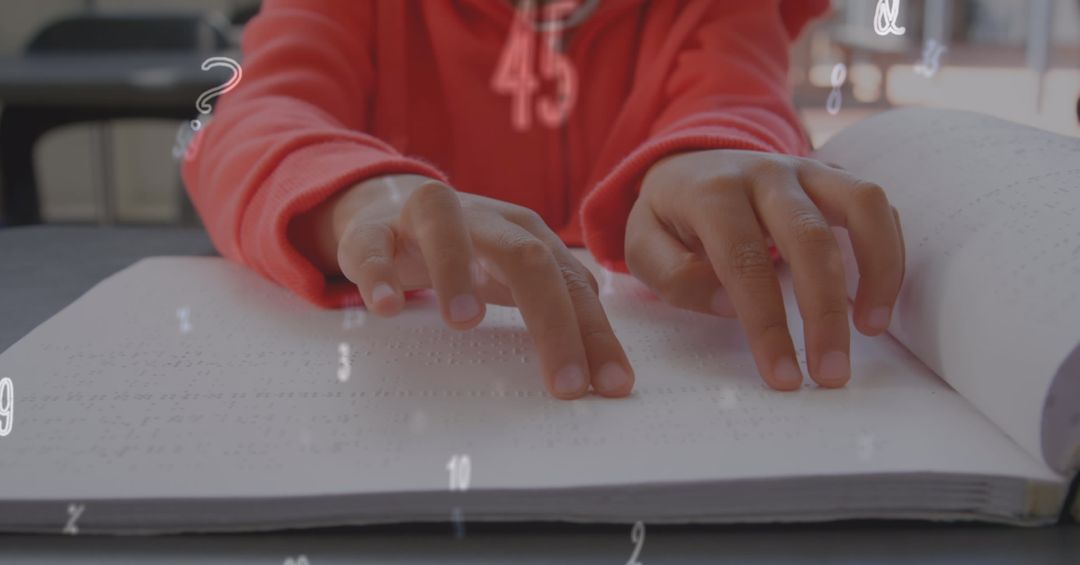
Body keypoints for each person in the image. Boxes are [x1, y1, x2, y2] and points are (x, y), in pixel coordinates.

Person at [183, 0, 905, 401]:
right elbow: (253, 116)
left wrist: (708, 153)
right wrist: (354, 194)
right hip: (424, 401)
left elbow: (742, 100)